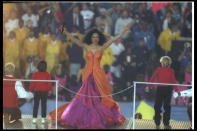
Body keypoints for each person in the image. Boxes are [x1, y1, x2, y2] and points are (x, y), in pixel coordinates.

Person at [49, 22, 133, 129]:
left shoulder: (102, 47)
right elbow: (75, 40)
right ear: (91, 37)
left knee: (98, 96)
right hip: (88, 73)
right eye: (93, 37)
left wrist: (123, 32)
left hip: (98, 74)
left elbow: (112, 40)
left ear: (99, 38)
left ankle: (98, 118)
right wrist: (65, 32)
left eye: (97, 37)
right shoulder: (87, 46)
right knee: (84, 95)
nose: (95, 38)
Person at [146, 56, 178, 129]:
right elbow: (173, 81)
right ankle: (164, 123)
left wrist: (148, 86)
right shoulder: (169, 70)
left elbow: (152, 78)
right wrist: (148, 86)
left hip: (162, 89)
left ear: (162, 63)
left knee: (159, 106)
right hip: (166, 89)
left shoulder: (163, 70)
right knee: (165, 106)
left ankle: (159, 123)